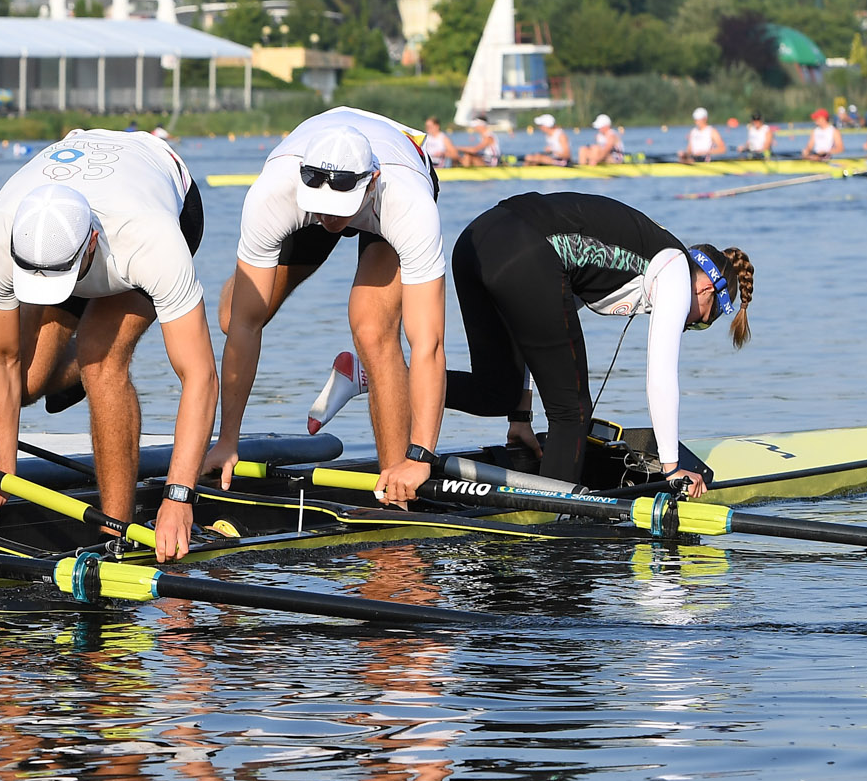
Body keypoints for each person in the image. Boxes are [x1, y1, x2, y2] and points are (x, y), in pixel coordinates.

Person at [0, 129, 216, 560]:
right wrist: (0, 472)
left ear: (91, 246)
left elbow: (200, 376)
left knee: (102, 360)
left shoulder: (150, 242)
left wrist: (178, 498)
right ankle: (74, 370)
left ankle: (114, 532)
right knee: (23, 383)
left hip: (163, 194)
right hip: (76, 218)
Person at [204, 108, 447, 508]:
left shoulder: (410, 204)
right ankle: (363, 377)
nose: (331, 215)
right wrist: (227, 440)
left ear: (372, 183)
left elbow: (429, 344)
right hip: (306, 190)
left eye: (340, 206)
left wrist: (420, 457)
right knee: (235, 317)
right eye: (323, 205)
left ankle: (394, 490)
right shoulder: (272, 194)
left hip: (397, 176)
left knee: (373, 330)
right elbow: (246, 327)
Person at [443, 191, 754, 493]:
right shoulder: (676, 269)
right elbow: (661, 377)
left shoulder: (633, 256)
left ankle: (398, 387)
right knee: (572, 412)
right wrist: (672, 469)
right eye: (701, 323)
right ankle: (550, 521)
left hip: (475, 241)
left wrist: (520, 416)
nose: (689, 326)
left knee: (496, 392)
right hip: (524, 247)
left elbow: (529, 324)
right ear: (707, 292)